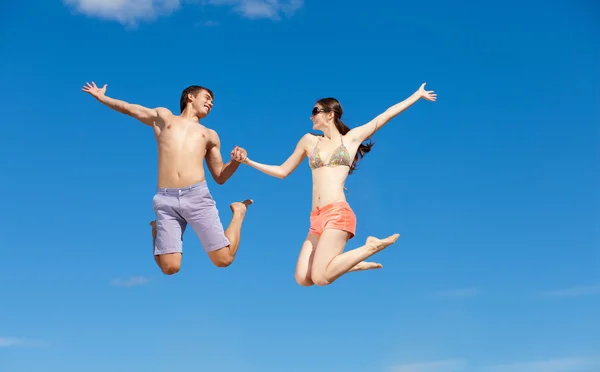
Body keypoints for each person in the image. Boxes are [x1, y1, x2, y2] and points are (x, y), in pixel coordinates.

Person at [232, 83, 436, 286]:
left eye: (315, 111)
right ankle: (348, 264)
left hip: (338, 214)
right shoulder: (309, 141)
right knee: (303, 278)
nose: (311, 116)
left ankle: (370, 247)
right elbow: (282, 171)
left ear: (331, 114)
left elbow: (385, 115)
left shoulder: (351, 139)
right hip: (316, 219)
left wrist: (416, 96)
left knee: (320, 278)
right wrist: (248, 162)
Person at [82, 81, 253, 275]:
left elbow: (220, 176)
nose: (211, 103)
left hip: (196, 196)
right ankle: (157, 231)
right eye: (207, 98)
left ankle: (239, 212)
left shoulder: (210, 135)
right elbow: (129, 109)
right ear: (191, 96)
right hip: (166, 200)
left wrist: (236, 161)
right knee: (170, 267)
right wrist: (102, 97)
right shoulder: (164, 117)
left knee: (223, 259)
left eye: (212, 102)